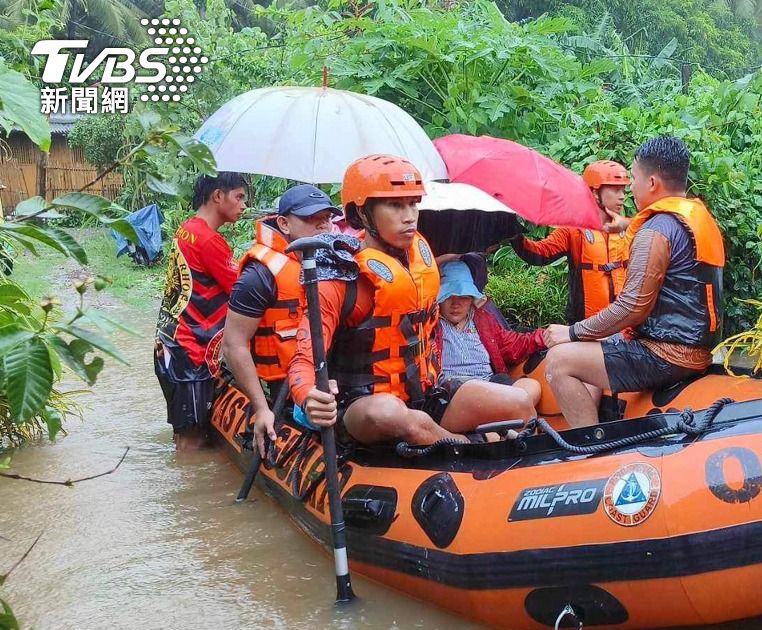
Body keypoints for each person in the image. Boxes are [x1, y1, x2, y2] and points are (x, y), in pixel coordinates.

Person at [289, 155, 535, 446]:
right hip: (362, 407)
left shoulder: (420, 257)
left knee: (517, 401)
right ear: (362, 213)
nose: (409, 216)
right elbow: (304, 359)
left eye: (413, 203)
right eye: (395, 205)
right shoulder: (342, 277)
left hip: (424, 395)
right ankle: (466, 445)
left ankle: (494, 454)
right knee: (392, 413)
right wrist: (308, 395)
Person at [540, 137, 725, 428]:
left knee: (559, 361)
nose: (630, 190)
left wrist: (573, 332)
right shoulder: (695, 217)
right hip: (696, 349)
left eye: (634, 179)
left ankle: (588, 448)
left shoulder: (654, 231)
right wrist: (626, 225)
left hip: (664, 354)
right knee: (596, 340)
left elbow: (632, 307)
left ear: (652, 183)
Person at [222, 185, 339, 455]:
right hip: (280, 389)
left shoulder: (336, 264)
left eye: (327, 218)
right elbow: (233, 344)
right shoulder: (259, 274)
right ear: (284, 223)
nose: (323, 226)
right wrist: (261, 408)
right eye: (312, 219)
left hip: (321, 378)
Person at [155, 171, 249, 451]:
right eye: (239, 197)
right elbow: (242, 293)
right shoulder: (209, 241)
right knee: (192, 438)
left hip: (170, 343)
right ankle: (187, 490)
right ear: (218, 196)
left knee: (183, 430)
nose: (243, 205)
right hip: (191, 352)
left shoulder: (187, 229)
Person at [511, 160, 632, 324]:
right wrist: (514, 234)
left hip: (624, 325)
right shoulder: (574, 231)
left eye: (623, 190)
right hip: (586, 326)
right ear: (595, 193)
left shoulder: (630, 228)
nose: (622, 196)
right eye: (615, 190)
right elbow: (539, 254)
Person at [436, 260, 545, 406]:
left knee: (531, 387)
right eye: (448, 296)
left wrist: (546, 336)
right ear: (439, 299)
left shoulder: (483, 319)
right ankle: (501, 416)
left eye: (463, 296)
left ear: (471, 299)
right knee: (475, 394)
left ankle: (497, 416)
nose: (456, 304)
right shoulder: (429, 325)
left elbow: (513, 345)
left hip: (490, 383)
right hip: (454, 389)